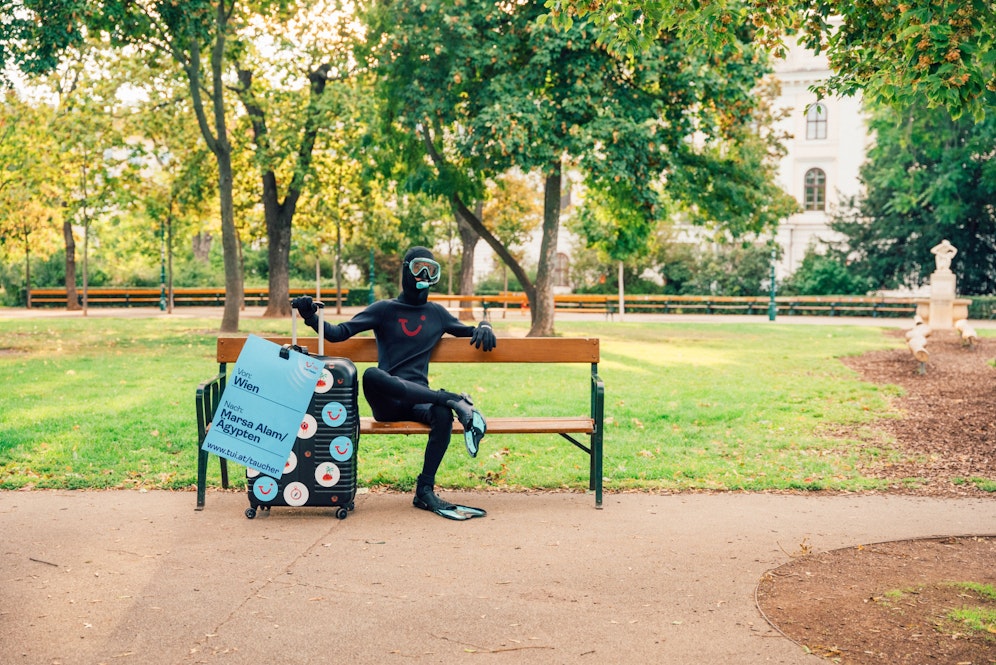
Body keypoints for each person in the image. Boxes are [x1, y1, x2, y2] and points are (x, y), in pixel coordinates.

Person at [293, 246, 497, 520]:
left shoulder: (437, 314)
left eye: (431, 270)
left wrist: (485, 324)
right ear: (406, 269)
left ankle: (425, 490)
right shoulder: (385, 309)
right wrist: (310, 316)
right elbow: (338, 333)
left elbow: (471, 331)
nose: (424, 274)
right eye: (418, 268)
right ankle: (451, 398)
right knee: (371, 375)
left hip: (420, 401)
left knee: (441, 413)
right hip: (386, 400)